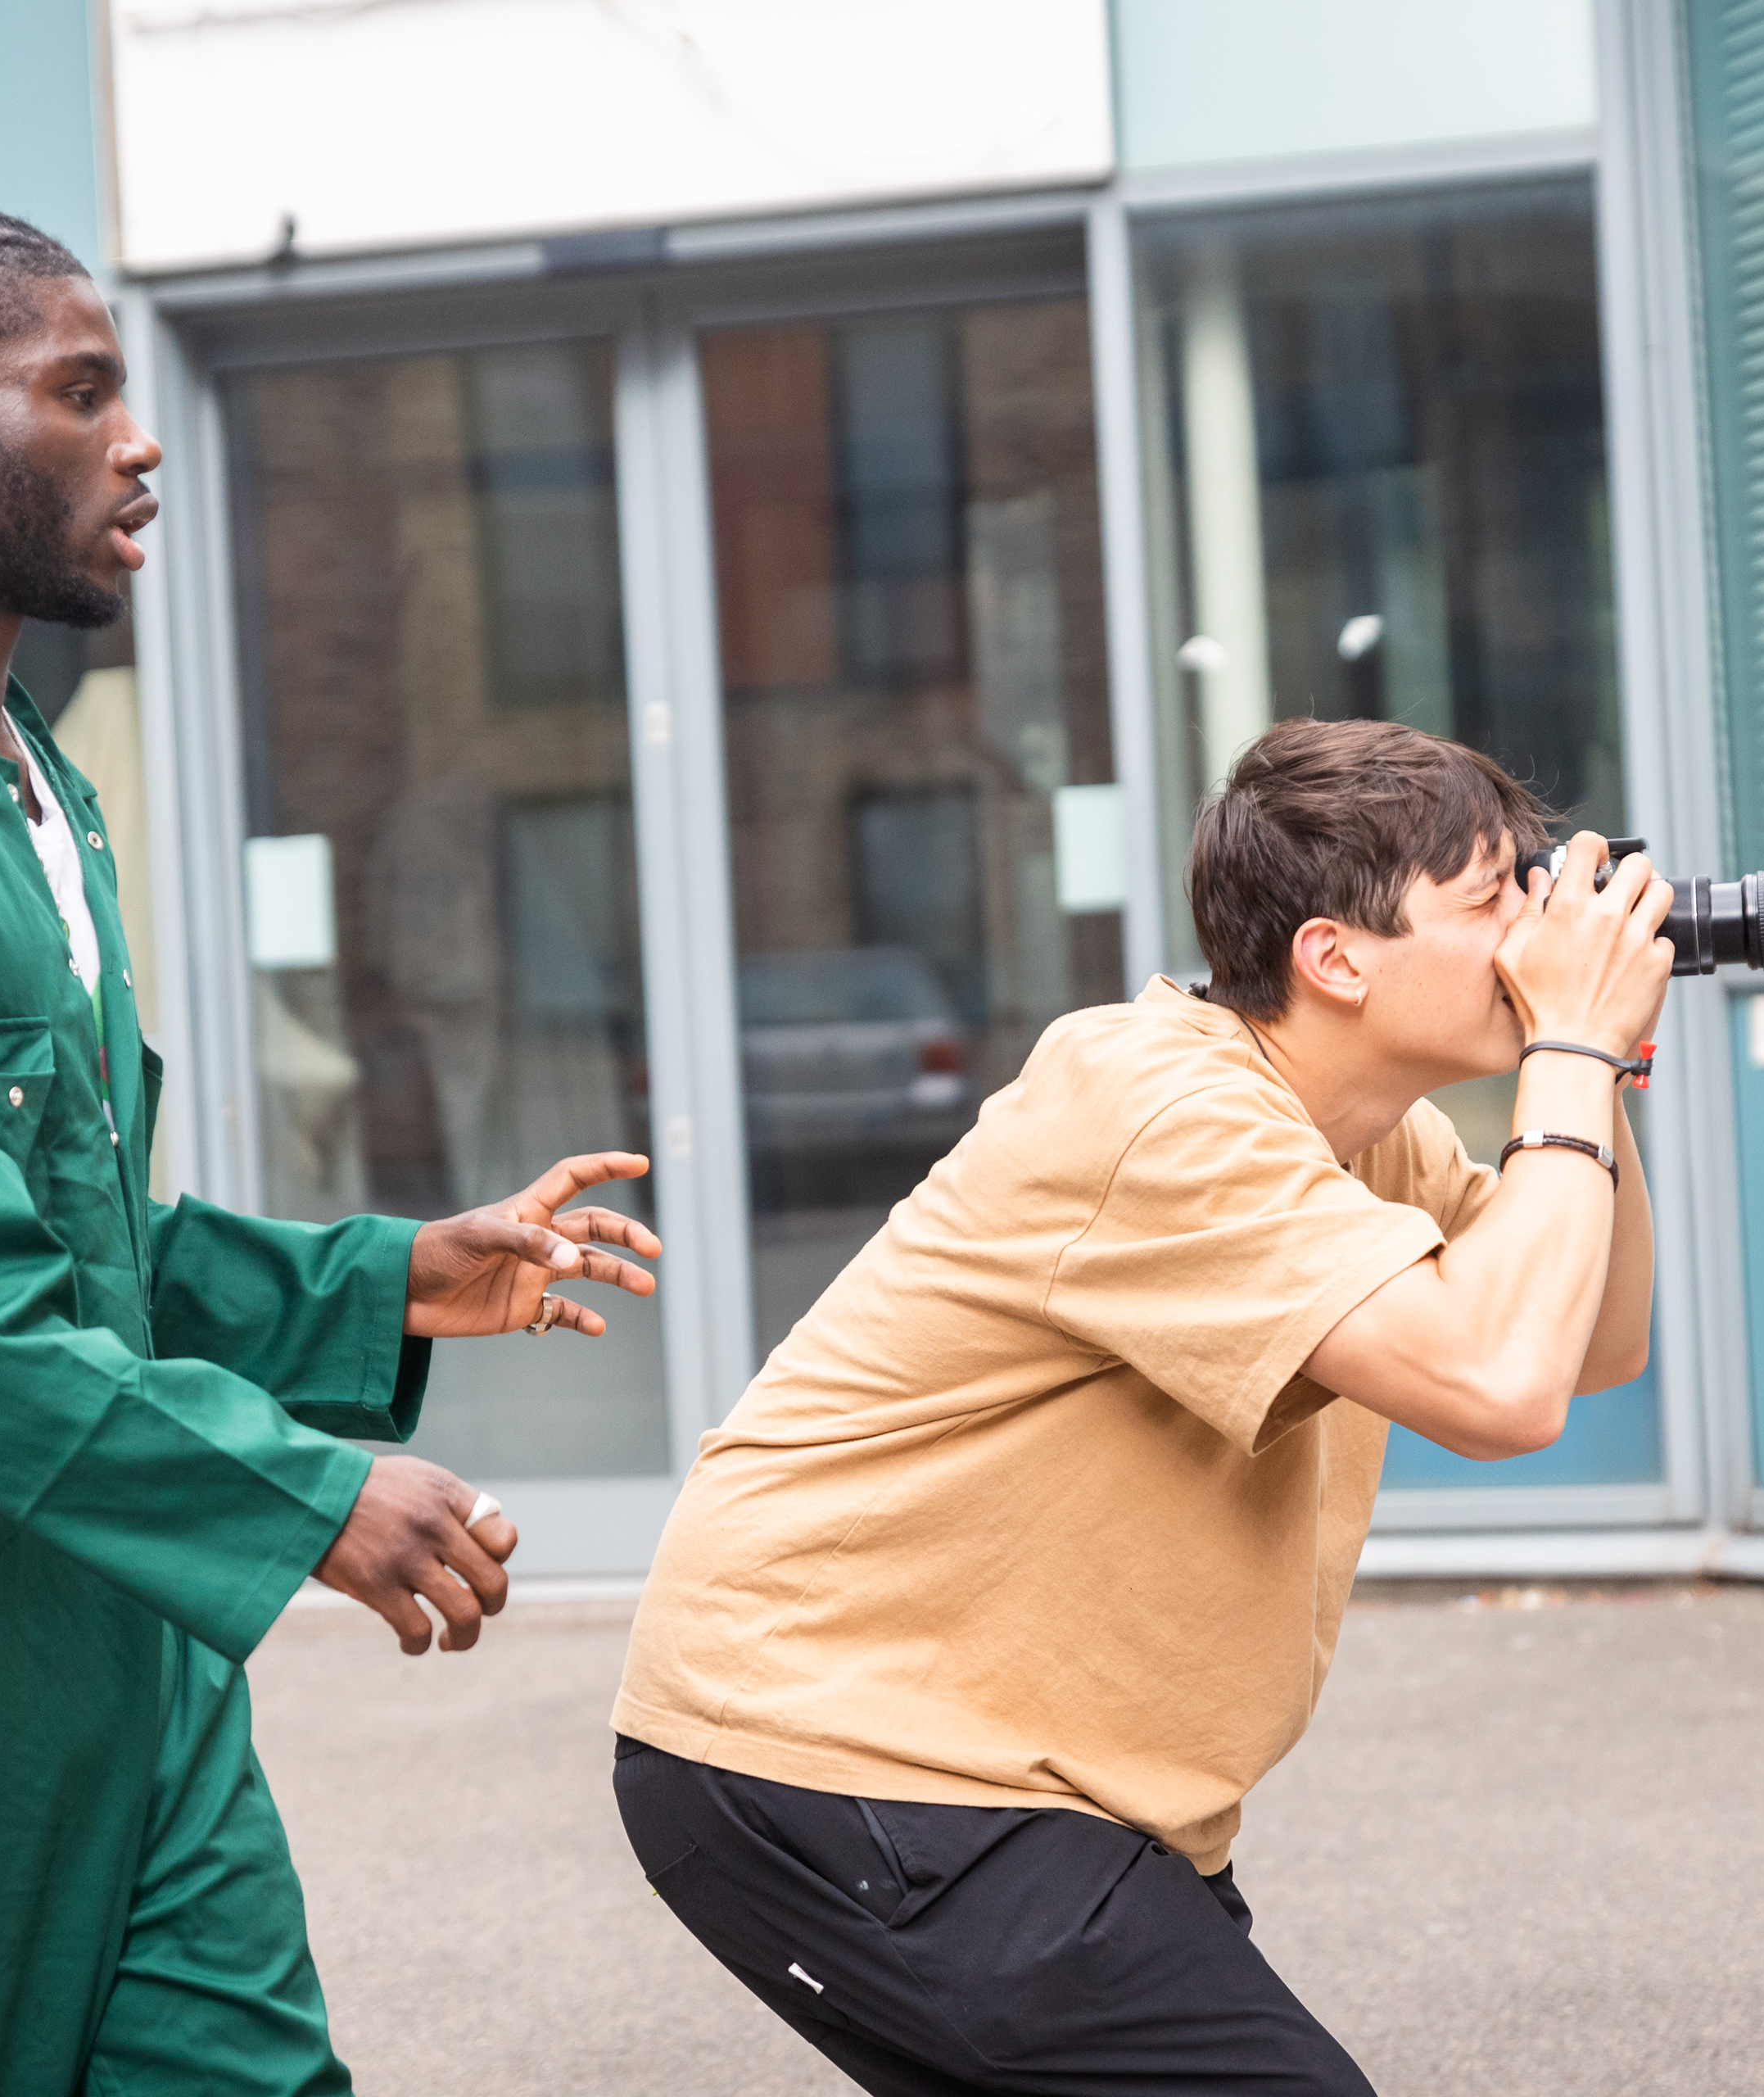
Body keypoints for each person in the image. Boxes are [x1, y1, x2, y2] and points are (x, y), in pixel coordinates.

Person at [0, 203, 657, 2096]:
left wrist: (383, 1279)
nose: (137, 441)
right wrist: (298, 1492)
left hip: (117, 1633)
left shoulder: (34, 788)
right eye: (78, 392)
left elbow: (72, 1244)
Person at [611, 718, 1670, 2095]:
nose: (1540, 934)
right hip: (840, 1752)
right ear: (1335, 958)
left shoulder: (1377, 1138)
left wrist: (1600, 1064)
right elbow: (1500, 1387)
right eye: (1493, 902)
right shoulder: (1163, 1109)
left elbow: (1592, 1344)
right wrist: (1571, 1047)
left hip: (1042, 1786)